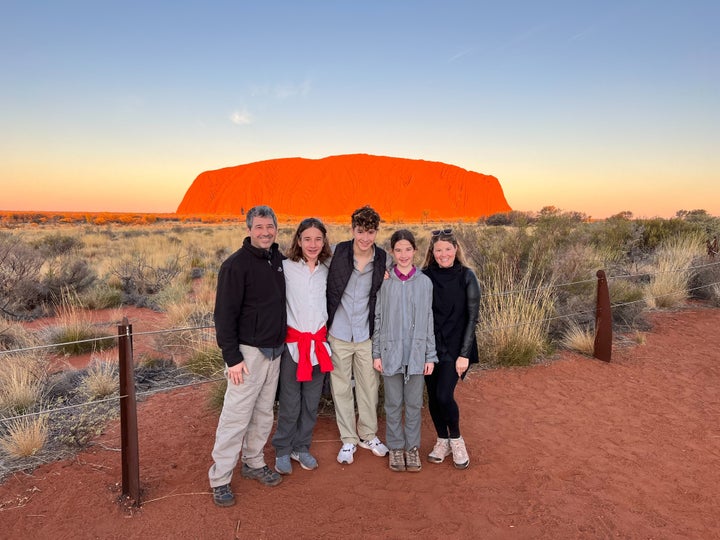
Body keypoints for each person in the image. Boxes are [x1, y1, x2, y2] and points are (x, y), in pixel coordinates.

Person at [208, 205, 287, 507]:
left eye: (270, 227)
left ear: (276, 229)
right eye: (259, 227)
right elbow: (224, 315)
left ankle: (253, 462)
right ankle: (220, 477)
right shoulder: (235, 266)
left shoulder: (278, 260)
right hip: (247, 355)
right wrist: (232, 358)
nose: (265, 232)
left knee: (264, 412)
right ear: (249, 229)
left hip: (275, 352)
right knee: (236, 416)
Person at [326, 205, 389, 464]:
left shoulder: (382, 257)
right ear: (352, 230)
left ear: (376, 232)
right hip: (338, 332)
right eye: (360, 231)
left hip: (365, 333)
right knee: (340, 387)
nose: (365, 238)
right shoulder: (340, 251)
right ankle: (348, 440)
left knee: (369, 386)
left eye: (371, 232)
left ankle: (368, 434)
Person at [272, 218, 334, 475]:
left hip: (319, 348)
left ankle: (302, 447)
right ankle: (283, 450)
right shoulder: (284, 268)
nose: (312, 244)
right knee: (289, 402)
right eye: (307, 238)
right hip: (292, 346)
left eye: (318, 239)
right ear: (298, 241)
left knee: (311, 402)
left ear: (324, 242)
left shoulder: (327, 271)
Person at [372, 230, 437, 472]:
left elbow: (429, 319)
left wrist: (430, 356)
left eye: (408, 249)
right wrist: (376, 353)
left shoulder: (424, 283)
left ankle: (412, 448)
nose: (403, 255)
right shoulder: (385, 282)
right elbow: (378, 317)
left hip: (417, 353)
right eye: (398, 250)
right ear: (392, 252)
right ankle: (396, 448)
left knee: (412, 403)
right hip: (390, 352)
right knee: (392, 402)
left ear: (415, 251)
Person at [421, 228, 480, 470]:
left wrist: (464, 354)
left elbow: (472, 318)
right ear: (432, 253)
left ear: (456, 249)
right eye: (438, 250)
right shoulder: (424, 276)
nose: (443, 254)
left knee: (445, 395)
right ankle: (441, 440)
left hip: (456, 348)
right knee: (433, 397)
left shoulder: (467, 276)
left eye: (448, 249)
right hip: (430, 347)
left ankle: (456, 439)